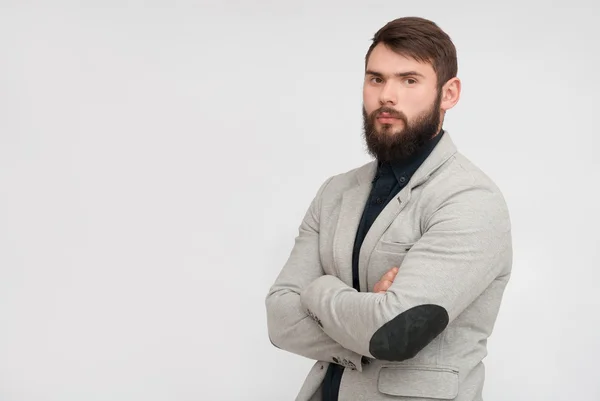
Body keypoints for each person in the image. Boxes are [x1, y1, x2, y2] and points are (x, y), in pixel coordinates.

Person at [265, 16, 512, 401]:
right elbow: (280, 318)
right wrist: (365, 316)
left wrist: (318, 290)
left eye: (409, 80)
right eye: (376, 78)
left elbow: (395, 333)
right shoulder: (335, 191)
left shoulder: (470, 199)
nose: (387, 96)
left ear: (448, 94)